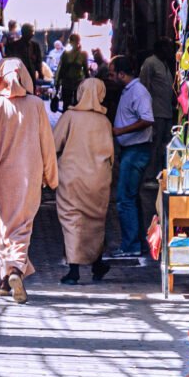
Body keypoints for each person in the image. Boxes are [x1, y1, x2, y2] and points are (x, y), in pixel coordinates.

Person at [0, 58, 58, 304]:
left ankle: (3, 281)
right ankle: (16, 271)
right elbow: (47, 144)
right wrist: (51, 176)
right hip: (28, 178)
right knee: (20, 228)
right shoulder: (36, 105)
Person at [52, 79, 114, 285]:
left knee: (72, 221)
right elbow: (112, 156)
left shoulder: (70, 117)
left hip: (71, 177)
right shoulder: (104, 122)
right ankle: (97, 264)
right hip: (98, 179)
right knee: (95, 222)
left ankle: (74, 270)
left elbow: (54, 144)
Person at [110, 55, 154, 257]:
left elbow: (147, 119)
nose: (111, 77)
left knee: (124, 198)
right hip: (131, 149)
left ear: (122, 73)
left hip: (137, 149)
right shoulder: (129, 91)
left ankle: (131, 245)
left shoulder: (138, 91)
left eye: (113, 73)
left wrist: (121, 131)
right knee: (131, 196)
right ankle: (139, 242)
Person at [139, 38, 175, 187]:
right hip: (155, 113)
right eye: (167, 48)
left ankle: (160, 174)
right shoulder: (150, 63)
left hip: (166, 112)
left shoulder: (165, 65)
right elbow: (143, 87)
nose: (169, 51)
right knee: (154, 145)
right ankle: (149, 176)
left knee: (164, 145)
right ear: (160, 48)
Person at [55, 34, 88, 111]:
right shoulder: (66, 54)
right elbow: (61, 69)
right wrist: (57, 83)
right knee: (66, 105)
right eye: (71, 41)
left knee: (77, 104)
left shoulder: (83, 54)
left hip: (78, 83)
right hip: (66, 82)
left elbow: (86, 70)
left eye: (73, 41)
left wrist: (88, 83)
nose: (71, 42)